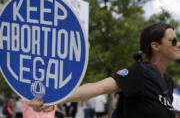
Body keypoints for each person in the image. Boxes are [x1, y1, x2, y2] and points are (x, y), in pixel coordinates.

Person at [30, 22, 180, 118]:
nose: (178, 44)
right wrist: (51, 99)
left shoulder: (167, 81)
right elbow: (97, 87)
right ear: (155, 46)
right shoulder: (138, 72)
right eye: (173, 41)